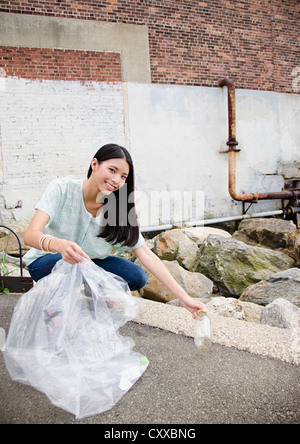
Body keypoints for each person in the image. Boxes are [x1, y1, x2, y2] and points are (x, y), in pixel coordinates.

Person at [23, 143, 207, 318]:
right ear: (94, 164)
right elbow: (30, 236)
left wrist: (184, 298)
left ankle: (91, 288)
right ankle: (58, 301)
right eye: (112, 170)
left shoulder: (118, 208)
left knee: (136, 277)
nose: (116, 180)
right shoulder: (62, 189)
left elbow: (146, 255)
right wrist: (59, 244)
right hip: (47, 262)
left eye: (123, 176)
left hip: (88, 263)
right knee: (71, 264)